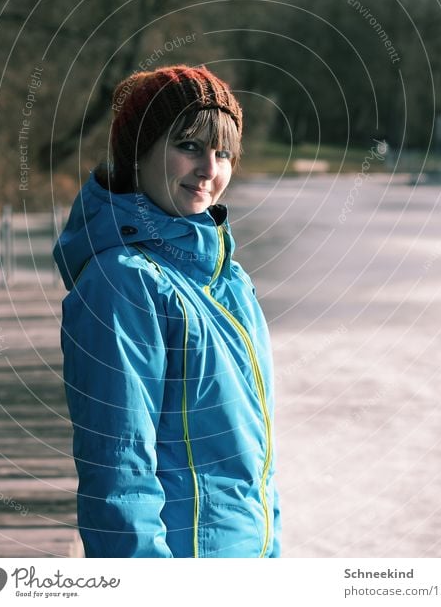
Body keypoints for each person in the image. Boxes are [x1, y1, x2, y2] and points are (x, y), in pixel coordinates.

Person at [53, 64, 281, 558]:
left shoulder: (228, 281)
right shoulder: (124, 282)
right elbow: (118, 470)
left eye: (223, 153)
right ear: (138, 151)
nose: (209, 170)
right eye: (189, 146)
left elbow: (254, 462)